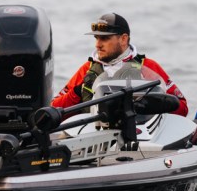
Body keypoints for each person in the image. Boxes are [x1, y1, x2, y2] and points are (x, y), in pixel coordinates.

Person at [51, 12, 189, 117]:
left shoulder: (148, 67)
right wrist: (77, 92)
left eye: (104, 38)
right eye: (96, 38)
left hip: (141, 135)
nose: (97, 44)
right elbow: (54, 108)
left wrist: (151, 103)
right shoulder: (87, 70)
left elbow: (182, 108)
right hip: (95, 136)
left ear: (123, 39)